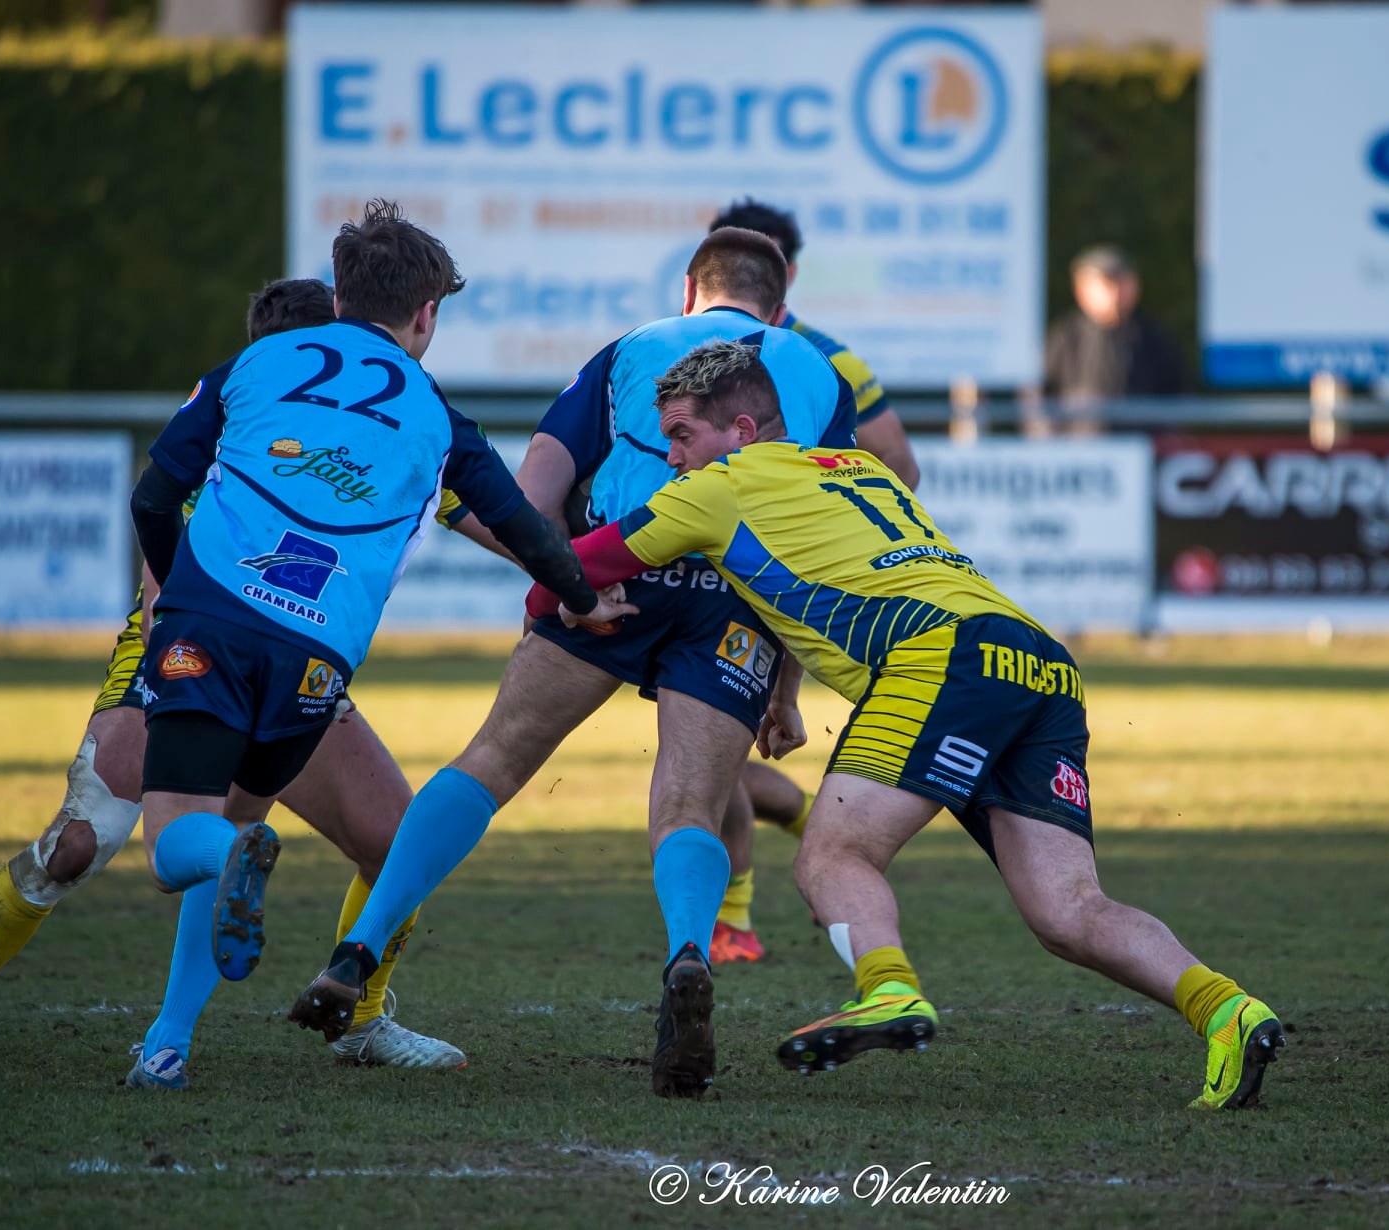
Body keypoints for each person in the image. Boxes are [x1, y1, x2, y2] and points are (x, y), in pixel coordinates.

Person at [523, 339, 1285, 1110]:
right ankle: (1228, 1011)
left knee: (831, 859)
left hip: (940, 659)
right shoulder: (864, 468)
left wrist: (563, 599)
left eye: (682, 435)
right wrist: (785, 692)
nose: (672, 455)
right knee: (1068, 912)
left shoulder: (715, 487)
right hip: (1038, 660)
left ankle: (888, 988)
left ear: (743, 430)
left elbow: (566, 569)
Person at [287, 226, 855, 1100]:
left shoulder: (631, 349)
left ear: (687, 293)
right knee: (688, 805)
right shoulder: (820, 373)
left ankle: (361, 948)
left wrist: (558, 597)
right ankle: (688, 956)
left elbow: (538, 489)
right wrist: (786, 687)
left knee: (493, 759)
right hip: (739, 598)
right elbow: (823, 538)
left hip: (617, 563)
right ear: (781, 309)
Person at [0, 277, 507, 1076]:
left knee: (398, 844)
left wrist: (582, 572)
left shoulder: (375, 439)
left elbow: (484, 509)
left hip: (295, 673)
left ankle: (349, 1020)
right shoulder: (236, 431)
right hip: (177, 667)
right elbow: (162, 578)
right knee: (80, 843)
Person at [122, 203, 620, 1090]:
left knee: (179, 843)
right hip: (315, 660)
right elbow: (526, 531)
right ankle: (167, 1044)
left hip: (211, 630)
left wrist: (178, 600)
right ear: (427, 314)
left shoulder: (256, 363)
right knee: (233, 816)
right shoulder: (436, 417)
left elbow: (155, 497)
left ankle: (183, 1021)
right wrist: (581, 600)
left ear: (338, 289)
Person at [703, 199, 923, 964]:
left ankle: (732, 919)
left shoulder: (829, 361)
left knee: (711, 761)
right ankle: (768, 870)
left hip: (778, 584)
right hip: (706, 575)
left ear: (783, 276)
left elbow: (902, 465)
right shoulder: (690, 352)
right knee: (715, 759)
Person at [1032, 245, 1186, 436]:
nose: (1116, 292)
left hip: (1140, 451)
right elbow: (1037, 396)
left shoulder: (1153, 338)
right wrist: (1049, 444)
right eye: (1106, 283)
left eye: (1123, 282)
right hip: (1078, 451)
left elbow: (1176, 396)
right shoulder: (1064, 337)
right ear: (1081, 289)